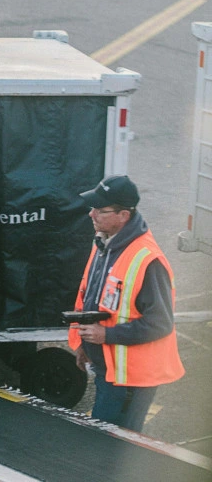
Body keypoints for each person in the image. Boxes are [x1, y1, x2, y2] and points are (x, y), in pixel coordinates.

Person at [68, 174, 184, 432]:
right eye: (92, 207)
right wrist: (85, 345)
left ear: (124, 215)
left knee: (116, 450)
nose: (92, 214)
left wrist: (106, 335)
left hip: (131, 379)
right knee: (104, 444)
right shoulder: (104, 243)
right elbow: (95, 300)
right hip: (109, 371)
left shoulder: (148, 260)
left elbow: (160, 324)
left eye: (100, 210)